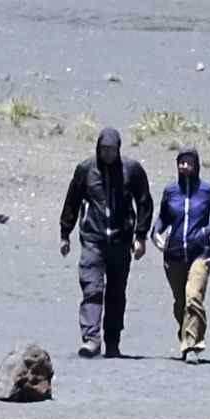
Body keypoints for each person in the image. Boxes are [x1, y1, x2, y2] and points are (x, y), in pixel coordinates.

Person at [52, 126, 153, 361]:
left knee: (116, 293)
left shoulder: (132, 170)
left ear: (119, 149)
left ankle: (112, 341)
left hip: (121, 241)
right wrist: (65, 234)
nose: (107, 154)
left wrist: (140, 236)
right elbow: (72, 202)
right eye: (104, 149)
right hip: (92, 239)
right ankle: (91, 339)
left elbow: (144, 202)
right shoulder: (86, 170)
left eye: (112, 149)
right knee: (92, 288)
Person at [159, 145, 210, 356]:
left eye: (189, 162)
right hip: (173, 254)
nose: (184, 166)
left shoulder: (206, 191)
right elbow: (163, 218)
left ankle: (193, 344)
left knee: (193, 297)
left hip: (200, 252)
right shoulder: (171, 191)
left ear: (196, 165)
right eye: (181, 162)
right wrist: (156, 234)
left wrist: (208, 230)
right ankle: (185, 335)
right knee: (181, 302)